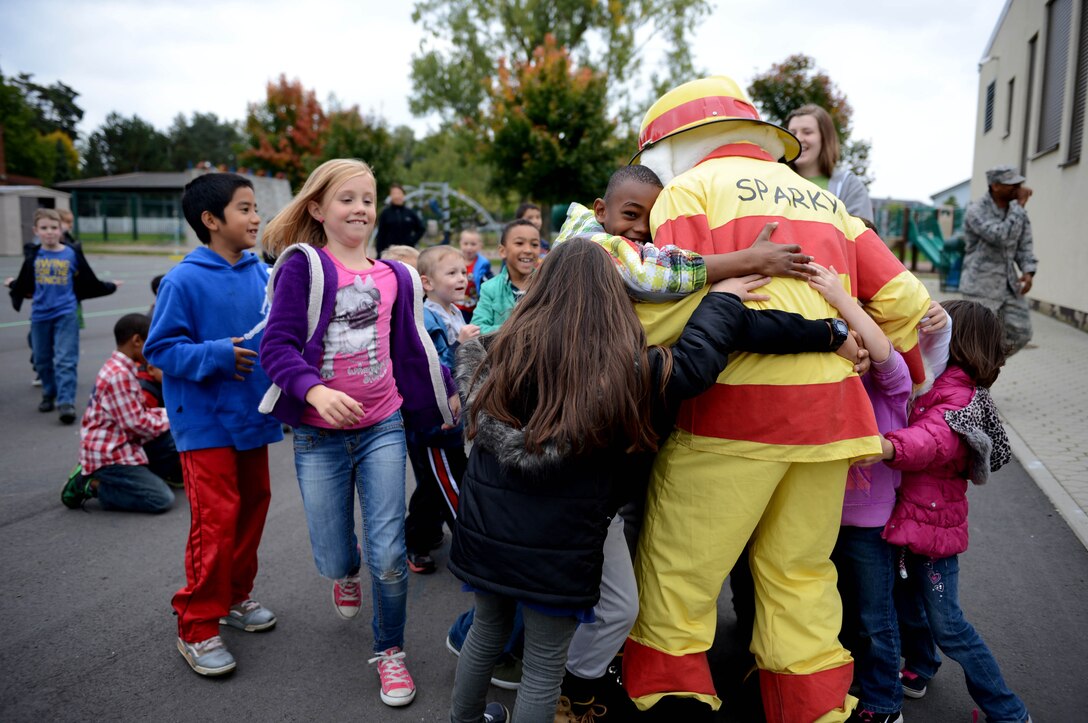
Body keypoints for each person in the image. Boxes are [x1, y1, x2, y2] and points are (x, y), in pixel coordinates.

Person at [447, 238, 861, 723]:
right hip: (556, 550)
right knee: (543, 664)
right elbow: (694, 362)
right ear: (611, 297)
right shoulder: (619, 373)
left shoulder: (500, 356)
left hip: (485, 537)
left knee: (486, 633)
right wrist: (723, 299)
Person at [621, 76, 931, 722]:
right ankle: (814, 712)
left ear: (668, 145)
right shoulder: (828, 204)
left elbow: (672, 309)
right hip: (831, 423)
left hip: (729, 418)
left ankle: (672, 706)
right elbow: (908, 303)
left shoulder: (688, 189)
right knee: (801, 580)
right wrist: (912, 376)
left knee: (679, 580)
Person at [259, 158, 459, 708]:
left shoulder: (394, 276)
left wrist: (446, 390)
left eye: (367, 199)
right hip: (318, 436)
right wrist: (315, 391)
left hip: (383, 427)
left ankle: (389, 652)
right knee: (333, 553)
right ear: (318, 209)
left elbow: (413, 347)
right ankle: (343, 570)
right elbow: (274, 347)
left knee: (389, 553)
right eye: (346, 199)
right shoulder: (304, 266)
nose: (361, 209)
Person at [144, 172, 284, 677]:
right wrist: (217, 355)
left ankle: (234, 598)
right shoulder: (185, 278)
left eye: (254, 208)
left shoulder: (260, 274)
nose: (255, 218)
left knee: (253, 509)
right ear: (211, 220)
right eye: (245, 209)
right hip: (203, 424)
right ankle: (197, 624)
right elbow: (159, 350)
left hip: (252, 417)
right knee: (216, 521)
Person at [808, 266, 951, 723]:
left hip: (870, 523)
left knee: (875, 619)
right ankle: (852, 687)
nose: (856, 334)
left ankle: (884, 703)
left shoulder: (891, 383)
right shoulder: (827, 372)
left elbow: (886, 355)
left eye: (864, 325)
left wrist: (841, 296)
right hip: (822, 514)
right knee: (842, 614)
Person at [879, 300, 1032, 723]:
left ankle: (1008, 710)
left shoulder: (958, 394)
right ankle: (920, 668)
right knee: (907, 604)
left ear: (957, 341)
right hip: (912, 520)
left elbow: (934, 440)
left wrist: (886, 446)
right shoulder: (936, 380)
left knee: (949, 626)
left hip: (932, 530)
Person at [403, 245, 480, 574]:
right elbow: (431, 367)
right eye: (451, 273)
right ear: (427, 283)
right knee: (450, 486)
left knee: (435, 485)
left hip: (453, 419)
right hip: (434, 424)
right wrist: (459, 344)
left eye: (463, 272)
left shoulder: (454, 312)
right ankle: (473, 552)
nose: (462, 278)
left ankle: (418, 536)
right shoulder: (424, 317)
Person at [6, 208, 118, 424]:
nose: (49, 232)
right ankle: (49, 393)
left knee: (66, 359)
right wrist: (12, 284)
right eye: (44, 228)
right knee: (42, 359)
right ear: (36, 231)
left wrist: (110, 286)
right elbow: (24, 282)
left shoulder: (71, 253)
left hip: (66, 313)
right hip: (39, 315)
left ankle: (65, 402)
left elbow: (88, 280)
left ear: (62, 230)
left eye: (54, 228)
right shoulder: (33, 255)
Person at [60, 313, 179, 513]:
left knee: (173, 434)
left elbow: (137, 415)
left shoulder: (122, 368)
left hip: (124, 442)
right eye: (150, 341)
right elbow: (137, 425)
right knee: (160, 498)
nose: (153, 348)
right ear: (136, 340)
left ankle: (141, 477)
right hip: (110, 455)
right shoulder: (120, 375)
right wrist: (173, 418)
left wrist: (168, 415)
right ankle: (90, 484)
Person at [959, 165, 1038, 355]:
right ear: (995, 186)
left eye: (1019, 183)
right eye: (1012, 184)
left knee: (1022, 332)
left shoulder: (1016, 212)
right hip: (980, 287)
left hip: (1009, 286)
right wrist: (1019, 207)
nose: (1018, 187)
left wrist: (1028, 272)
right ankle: (975, 373)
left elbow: (1023, 245)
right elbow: (999, 236)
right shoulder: (976, 211)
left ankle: (986, 365)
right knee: (978, 339)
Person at [787, 104, 874, 223]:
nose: (798, 138)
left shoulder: (848, 186)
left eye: (807, 132)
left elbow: (862, 238)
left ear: (825, 138)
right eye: (792, 132)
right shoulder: (773, 181)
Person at [472, 219, 540, 333]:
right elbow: (477, 328)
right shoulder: (490, 288)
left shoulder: (547, 285)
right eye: (519, 243)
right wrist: (516, 330)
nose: (528, 250)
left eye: (534, 244)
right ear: (503, 251)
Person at [375, 182, 425, 257]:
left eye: (399, 193)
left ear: (403, 195)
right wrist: (379, 253)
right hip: (390, 253)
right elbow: (381, 234)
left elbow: (421, 228)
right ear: (390, 196)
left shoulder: (410, 213)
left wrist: (412, 241)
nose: (397, 196)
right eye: (394, 193)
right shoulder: (385, 213)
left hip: (407, 252)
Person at [456, 228, 493, 322]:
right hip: (456, 305)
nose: (469, 247)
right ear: (460, 244)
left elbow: (489, 283)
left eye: (473, 244)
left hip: (474, 306)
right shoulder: (454, 261)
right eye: (466, 244)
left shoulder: (482, 265)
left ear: (480, 246)